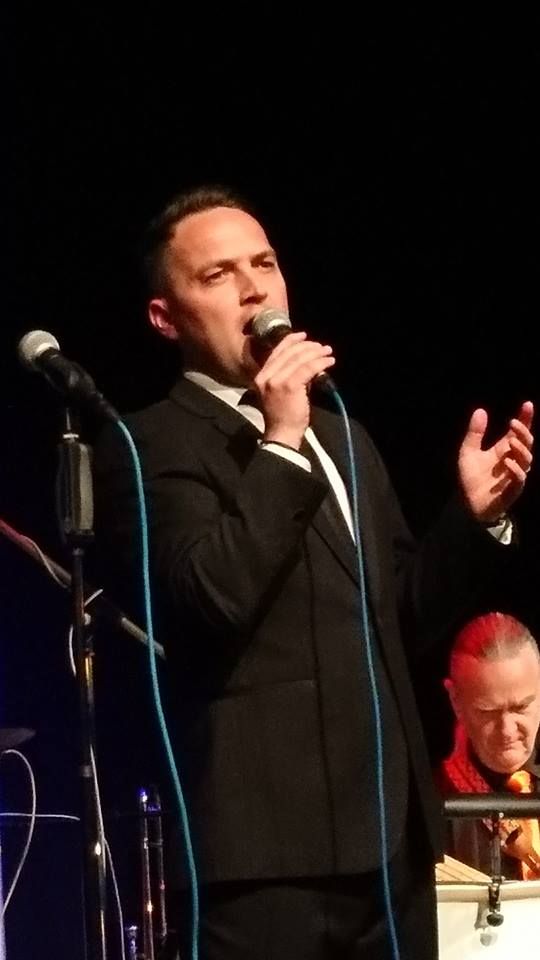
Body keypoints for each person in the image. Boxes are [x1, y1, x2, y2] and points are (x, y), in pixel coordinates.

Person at [92, 184, 534, 959]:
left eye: (264, 263)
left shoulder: (345, 438)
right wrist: (280, 440)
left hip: (388, 846)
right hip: (264, 864)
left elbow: (400, 618)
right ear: (166, 318)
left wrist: (471, 521)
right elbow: (209, 598)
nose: (254, 288)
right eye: (218, 274)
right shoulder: (146, 444)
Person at [437, 611, 540, 880]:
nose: (507, 730)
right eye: (488, 712)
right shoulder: (432, 804)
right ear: (456, 701)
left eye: (521, 707)